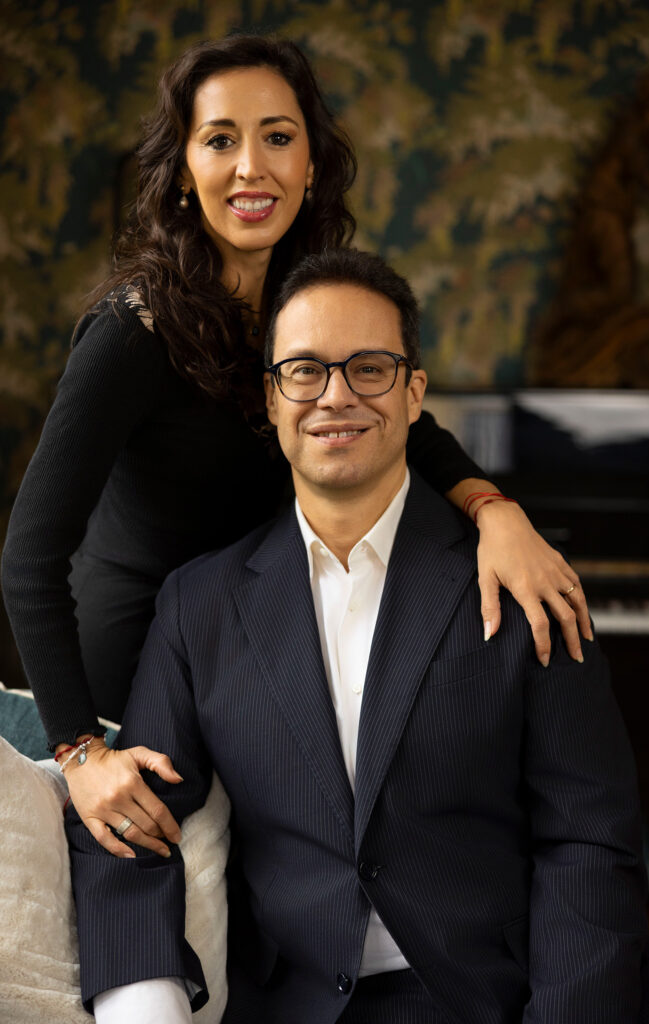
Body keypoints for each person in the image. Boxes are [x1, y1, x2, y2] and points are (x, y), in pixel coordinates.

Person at [1, 35, 591, 858]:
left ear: (311, 165)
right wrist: (81, 751)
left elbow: (405, 425)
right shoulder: (130, 333)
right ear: (182, 172)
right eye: (220, 140)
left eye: (277, 137)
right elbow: (28, 557)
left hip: (246, 648)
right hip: (126, 685)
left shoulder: (303, 299)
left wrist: (498, 514)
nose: (252, 167)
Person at [67, 249, 649, 1023]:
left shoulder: (522, 579)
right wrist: (147, 1009)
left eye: (368, 368)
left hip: (501, 999)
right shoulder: (200, 605)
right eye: (304, 370)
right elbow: (126, 826)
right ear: (271, 397)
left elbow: (588, 840)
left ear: (413, 392)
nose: (336, 395)